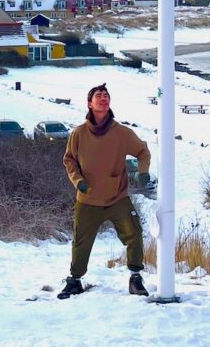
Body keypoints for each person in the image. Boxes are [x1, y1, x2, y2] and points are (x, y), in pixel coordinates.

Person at [59, 82, 151, 299]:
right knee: (80, 241)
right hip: (87, 198)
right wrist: (78, 180)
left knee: (134, 234)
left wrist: (143, 171)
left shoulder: (122, 133)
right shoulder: (79, 133)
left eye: (106, 95)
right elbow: (69, 160)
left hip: (117, 197)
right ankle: (75, 280)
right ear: (89, 104)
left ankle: (135, 278)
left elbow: (143, 151)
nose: (103, 98)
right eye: (98, 95)